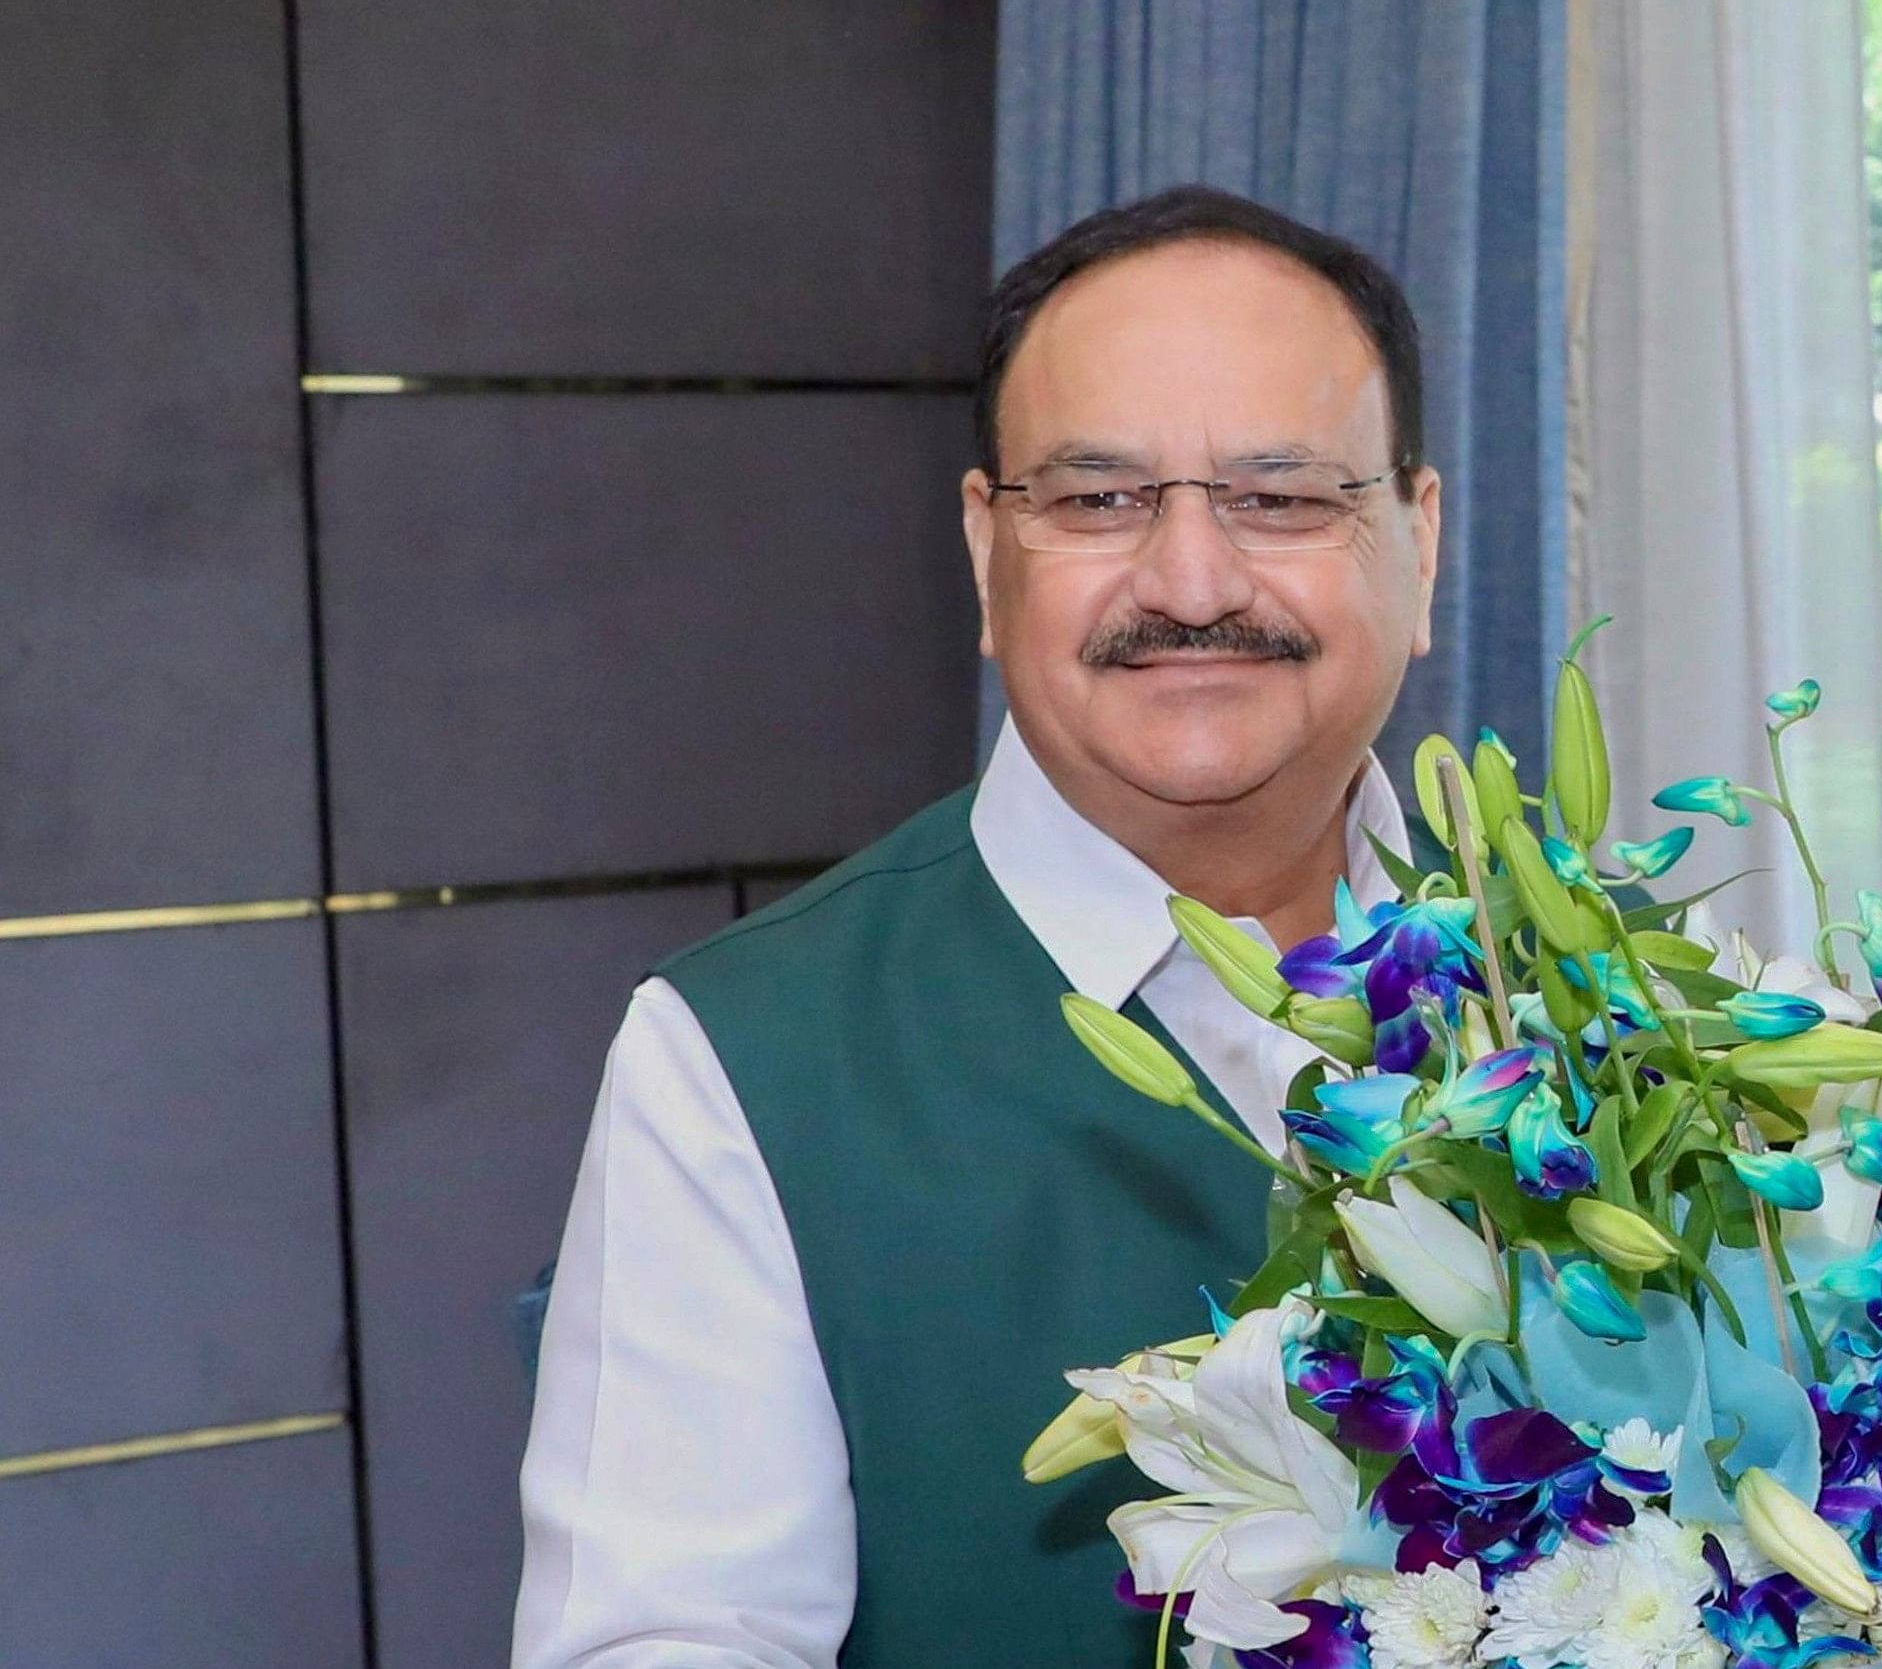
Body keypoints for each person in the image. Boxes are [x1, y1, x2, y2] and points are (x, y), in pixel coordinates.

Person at [513, 189, 1443, 1668]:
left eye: (1280, 496)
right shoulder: (747, 1062)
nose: (1192, 584)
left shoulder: (1604, 984)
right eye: (1097, 500)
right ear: (984, 552)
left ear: (1419, 540)